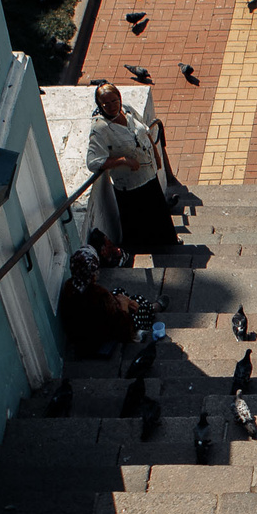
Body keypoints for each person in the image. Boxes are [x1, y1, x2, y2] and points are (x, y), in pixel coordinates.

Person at [84, 82, 176, 253]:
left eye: (114, 100)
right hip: (130, 184)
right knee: (139, 221)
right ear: (99, 105)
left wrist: (156, 156)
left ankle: (169, 245)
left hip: (149, 173)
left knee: (158, 213)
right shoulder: (100, 129)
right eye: (106, 104)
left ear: (120, 98)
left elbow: (146, 131)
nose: (112, 106)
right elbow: (93, 162)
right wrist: (123, 160)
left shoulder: (126, 109)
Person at [56, 245, 139, 356]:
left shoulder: (70, 287)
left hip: (81, 336)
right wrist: (125, 305)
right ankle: (152, 307)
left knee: (120, 293)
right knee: (139, 309)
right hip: (98, 339)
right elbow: (122, 326)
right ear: (93, 275)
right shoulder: (100, 297)